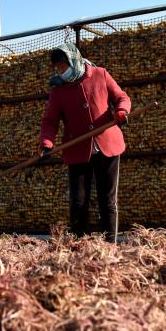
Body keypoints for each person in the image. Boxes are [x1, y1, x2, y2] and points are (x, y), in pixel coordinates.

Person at [38, 43, 131, 243]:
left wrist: (122, 111)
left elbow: (121, 97)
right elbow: (50, 121)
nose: (62, 71)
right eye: (59, 69)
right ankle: (80, 246)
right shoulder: (58, 90)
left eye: (64, 66)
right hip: (77, 149)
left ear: (74, 60)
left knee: (108, 200)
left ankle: (110, 246)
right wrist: (47, 142)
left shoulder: (100, 74)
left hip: (108, 144)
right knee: (78, 202)